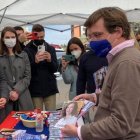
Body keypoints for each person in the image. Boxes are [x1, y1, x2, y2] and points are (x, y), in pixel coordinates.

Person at [61, 7, 140, 140]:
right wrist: (95, 97)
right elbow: (120, 95)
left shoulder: (127, 62)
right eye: (90, 36)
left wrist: (79, 131)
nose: (92, 42)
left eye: (97, 35)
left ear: (118, 32)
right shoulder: (120, 57)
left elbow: (120, 123)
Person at [24, 24, 58, 111]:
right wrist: (35, 62)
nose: (39, 39)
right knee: (37, 117)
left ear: (44, 34)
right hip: (35, 89)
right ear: (32, 35)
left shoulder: (50, 48)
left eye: (41, 37)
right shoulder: (27, 50)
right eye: (37, 37)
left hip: (50, 89)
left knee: (51, 117)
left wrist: (50, 60)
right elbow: (26, 72)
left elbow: (55, 69)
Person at [0, 26, 34, 114]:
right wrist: (9, 92)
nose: (10, 39)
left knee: (25, 121)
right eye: (7, 37)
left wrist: (16, 91)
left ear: (16, 38)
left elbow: (27, 76)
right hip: (5, 97)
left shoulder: (23, 55)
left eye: (12, 37)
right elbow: (1, 79)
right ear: (2, 39)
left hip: (23, 94)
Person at [76, 28, 108, 95]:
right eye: (89, 36)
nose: (92, 39)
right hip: (92, 101)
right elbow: (80, 83)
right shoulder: (85, 57)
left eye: (96, 35)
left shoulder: (112, 54)